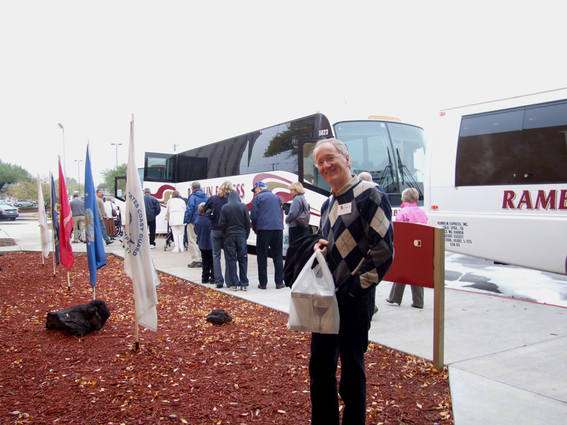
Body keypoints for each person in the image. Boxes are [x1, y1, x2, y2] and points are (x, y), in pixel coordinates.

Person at [311, 138, 394, 425]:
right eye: (320, 162)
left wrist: (354, 290)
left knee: (352, 372)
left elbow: (383, 250)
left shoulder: (370, 194)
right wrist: (318, 247)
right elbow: (327, 240)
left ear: (346, 159)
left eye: (330, 158)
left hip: (354, 299)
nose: (325, 165)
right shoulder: (327, 204)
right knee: (320, 368)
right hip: (326, 299)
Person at [386, 187, 428, 309]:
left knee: (402, 271)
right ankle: (418, 300)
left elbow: (398, 231)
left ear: (404, 198)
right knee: (415, 273)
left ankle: (395, 297)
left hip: (406, 247)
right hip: (419, 246)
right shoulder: (422, 213)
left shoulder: (403, 213)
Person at [250, 181, 284, 290]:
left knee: (262, 256)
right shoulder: (276, 197)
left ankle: (263, 283)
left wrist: (255, 228)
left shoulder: (258, 198)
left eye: (255, 190)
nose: (255, 193)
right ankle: (279, 282)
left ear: (259, 188)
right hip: (278, 229)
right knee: (278, 256)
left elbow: (254, 215)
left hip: (263, 229)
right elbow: (280, 213)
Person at [219, 190, 250, 291]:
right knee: (243, 259)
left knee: (231, 259)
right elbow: (247, 222)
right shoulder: (243, 206)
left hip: (229, 235)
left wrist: (225, 233)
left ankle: (234, 283)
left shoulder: (225, 207)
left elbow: (221, 223)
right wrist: (246, 234)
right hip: (241, 235)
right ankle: (244, 283)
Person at [204, 181, 233, 288]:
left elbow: (205, 208)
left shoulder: (213, 198)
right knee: (228, 256)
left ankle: (218, 280)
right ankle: (229, 281)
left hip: (215, 229)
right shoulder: (231, 199)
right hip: (228, 230)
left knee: (216, 255)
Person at [184, 181, 208, 267]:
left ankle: (196, 259)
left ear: (192, 188)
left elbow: (190, 209)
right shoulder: (206, 196)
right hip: (204, 220)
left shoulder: (192, 197)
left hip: (193, 221)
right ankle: (203, 258)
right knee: (202, 240)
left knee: (192, 240)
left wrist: (187, 220)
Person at [194, 202, 215, 284]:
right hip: (210, 243)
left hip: (202, 243)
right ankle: (213, 277)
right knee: (212, 261)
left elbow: (195, 231)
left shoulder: (197, 221)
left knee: (205, 261)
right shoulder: (209, 221)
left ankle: (204, 277)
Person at [285, 182, 310, 246]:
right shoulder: (303, 198)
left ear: (296, 190)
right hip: (302, 227)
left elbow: (293, 213)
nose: (290, 192)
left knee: (294, 247)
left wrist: (286, 219)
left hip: (295, 227)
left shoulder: (297, 198)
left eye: (291, 190)